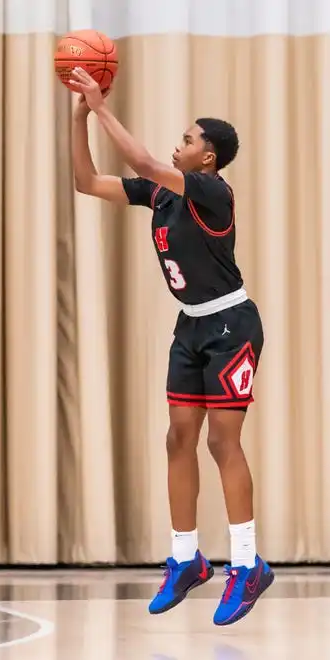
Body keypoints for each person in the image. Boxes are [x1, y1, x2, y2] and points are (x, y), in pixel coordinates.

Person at [70, 67, 274, 626]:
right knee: (177, 438)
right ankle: (187, 559)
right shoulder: (161, 193)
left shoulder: (213, 191)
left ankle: (246, 564)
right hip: (190, 327)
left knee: (222, 443)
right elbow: (88, 181)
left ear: (208, 158)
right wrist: (81, 115)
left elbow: (141, 162)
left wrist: (103, 106)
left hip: (231, 324)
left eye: (189, 139)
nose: (178, 143)